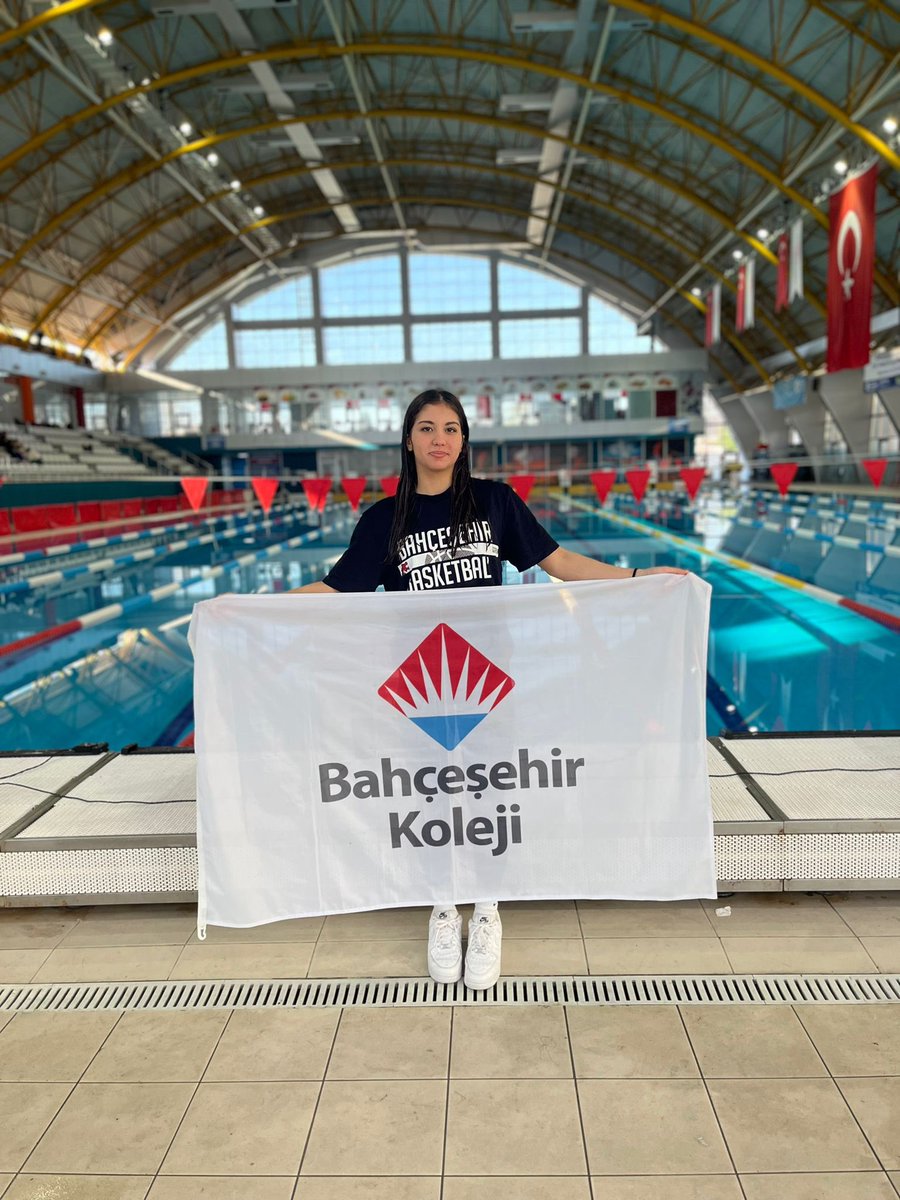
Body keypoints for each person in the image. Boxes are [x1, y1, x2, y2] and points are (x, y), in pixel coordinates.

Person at [291, 388, 688, 990]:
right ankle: (444, 905)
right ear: (408, 440)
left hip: (488, 682)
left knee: (486, 798)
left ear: (463, 440)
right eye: (426, 428)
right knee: (432, 799)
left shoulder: (496, 503)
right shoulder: (383, 519)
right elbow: (337, 590)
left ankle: (488, 906)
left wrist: (636, 576)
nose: (439, 439)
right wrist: (241, 609)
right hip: (419, 689)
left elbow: (557, 562)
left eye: (451, 428)